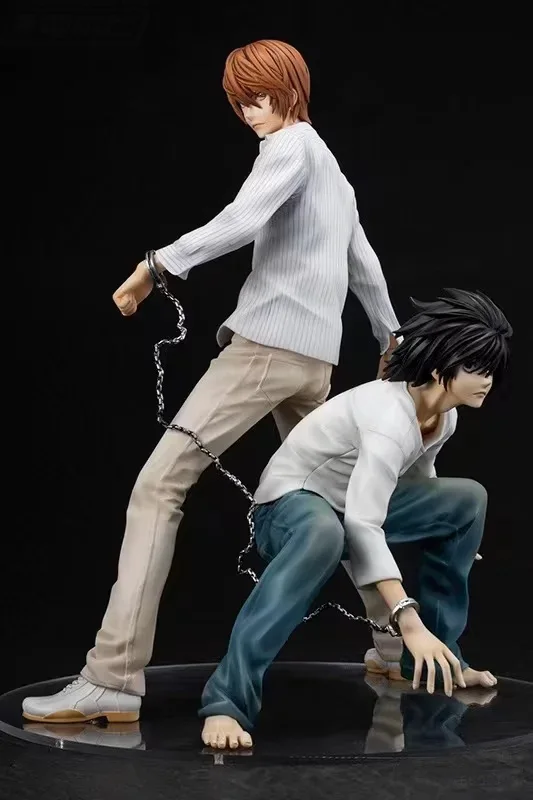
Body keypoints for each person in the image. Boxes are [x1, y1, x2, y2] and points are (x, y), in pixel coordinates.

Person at [22, 39, 401, 724]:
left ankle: (112, 676)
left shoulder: (289, 148)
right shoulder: (332, 170)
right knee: (341, 503)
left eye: (261, 96)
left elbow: (241, 220)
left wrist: (158, 265)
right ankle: (395, 647)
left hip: (265, 351)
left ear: (290, 89)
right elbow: (363, 262)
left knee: (158, 486)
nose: (251, 111)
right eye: (241, 101)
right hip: (314, 363)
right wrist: (389, 337)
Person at [197, 288, 511, 750]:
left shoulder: (443, 417)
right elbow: (363, 524)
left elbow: (417, 478)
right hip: (289, 508)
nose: (487, 381)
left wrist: (449, 527)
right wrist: (407, 620)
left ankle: (436, 662)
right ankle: (226, 702)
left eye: (492, 370)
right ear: (440, 369)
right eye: (477, 369)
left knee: (467, 501)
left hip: (351, 507)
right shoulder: (389, 419)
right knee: (324, 533)